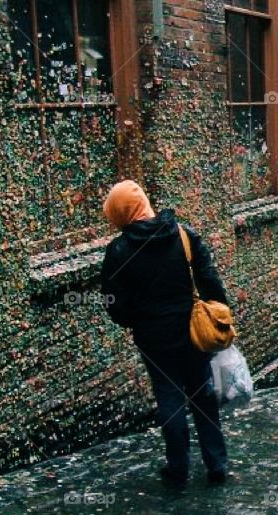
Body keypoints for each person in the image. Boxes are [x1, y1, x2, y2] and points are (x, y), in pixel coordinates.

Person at [100, 180, 230, 489]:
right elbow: (209, 280)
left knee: (169, 398)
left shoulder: (119, 250)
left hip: (153, 338)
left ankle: (178, 468)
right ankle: (217, 464)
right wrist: (217, 312)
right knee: (202, 396)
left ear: (120, 212)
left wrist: (134, 321)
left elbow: (114, 302)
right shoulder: (183, 235)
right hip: (193, 332)